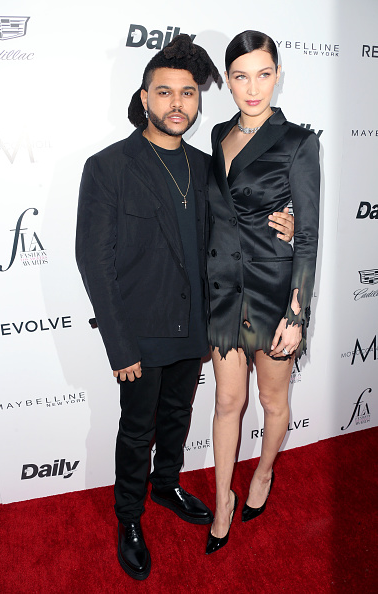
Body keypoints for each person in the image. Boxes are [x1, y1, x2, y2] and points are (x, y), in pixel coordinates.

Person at [76, 34, 294, 579]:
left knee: (176, 416)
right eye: (165, 92)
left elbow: (238, 228)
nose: (178, 103)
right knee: (136, 428)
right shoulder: (108, 167)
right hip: (140, 333)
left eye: (189, 93)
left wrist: (285, 228)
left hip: (197, 325)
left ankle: (167, 483)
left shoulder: (206, 166)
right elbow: (93, 262)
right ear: (144, 97)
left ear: (199, 102)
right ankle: (129, 517)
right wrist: (120, 345)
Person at [205, 30, 320, 555]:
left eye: (264, 74)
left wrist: (298, 311)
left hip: (277, 295)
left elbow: (309, 235)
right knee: (228, 402)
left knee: (274, 401)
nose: (253, 88)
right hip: (226, 292)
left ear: (277, 75)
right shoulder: (216, 136)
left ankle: (264, 474)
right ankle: (222, 501)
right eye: (241, 76)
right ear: (228, 81)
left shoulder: (298, 141)